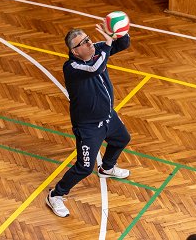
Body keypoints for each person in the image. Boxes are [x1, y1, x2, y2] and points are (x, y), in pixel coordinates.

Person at [46, 22, 132, 217]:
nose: (88, 43)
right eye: (82, 43)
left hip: (108, 116)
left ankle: (107, 167)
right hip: (88, 127)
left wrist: (118, 32)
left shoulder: (98, 49)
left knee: (122, 139)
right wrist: (108, 45)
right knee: (84, 168)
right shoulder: (72, 67)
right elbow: (96, 68)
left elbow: (123, 44)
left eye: (87, 39)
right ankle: (55, 195)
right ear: (74, 51)